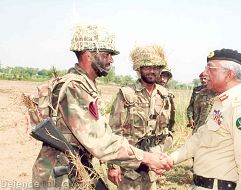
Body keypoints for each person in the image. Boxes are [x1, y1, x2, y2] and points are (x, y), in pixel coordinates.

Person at [32, 24, 172, 189]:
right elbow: (100, 142)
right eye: (106, 55)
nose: (111, 60)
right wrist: (147, 158)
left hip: (74, 168)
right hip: (58, 176)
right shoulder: (75, 88)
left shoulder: (85, 85)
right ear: (89, 55)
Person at [169, 48, 241, 189]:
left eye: (210, 69)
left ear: (229, 74)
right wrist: (170, 159)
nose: (204, 73)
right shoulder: (222, 102)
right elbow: (200, 138)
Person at [107, 44, 173, 190]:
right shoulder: (126, 94)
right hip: (129, 166)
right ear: (139, 69)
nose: (151, 71)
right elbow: (113, 131)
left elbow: (168, 130)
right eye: (147, 67)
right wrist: (113, 165)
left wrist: (161, 155)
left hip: (152, 167)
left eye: (155, 67)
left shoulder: (164, 96)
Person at [157, 66, 176, 132]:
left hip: (164, 130)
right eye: (160, 76)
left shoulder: (169, 94)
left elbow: (172, 112)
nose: (162, 79)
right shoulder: (147, 92)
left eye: (165, 76)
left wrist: (171, 129)